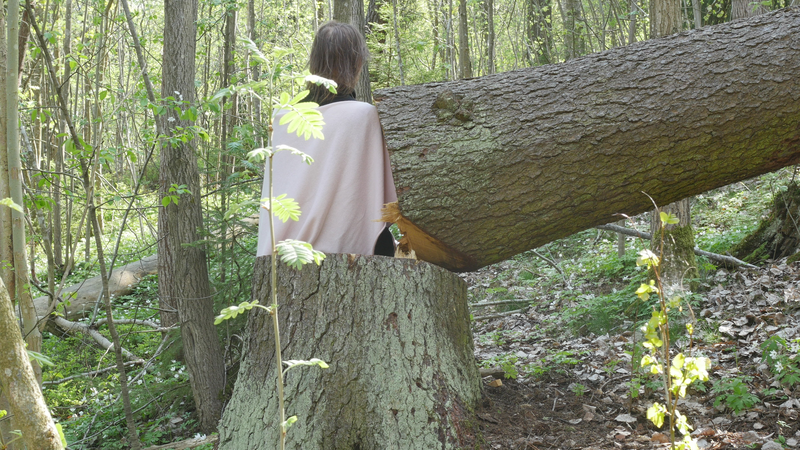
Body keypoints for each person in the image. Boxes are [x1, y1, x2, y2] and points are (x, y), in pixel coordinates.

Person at [256, 21, 397, 258]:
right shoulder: (365, 116)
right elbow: (388, 203)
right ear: (357, 63)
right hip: (351, 257)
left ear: (314, 64)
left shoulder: (282, 118)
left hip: (281, 257)